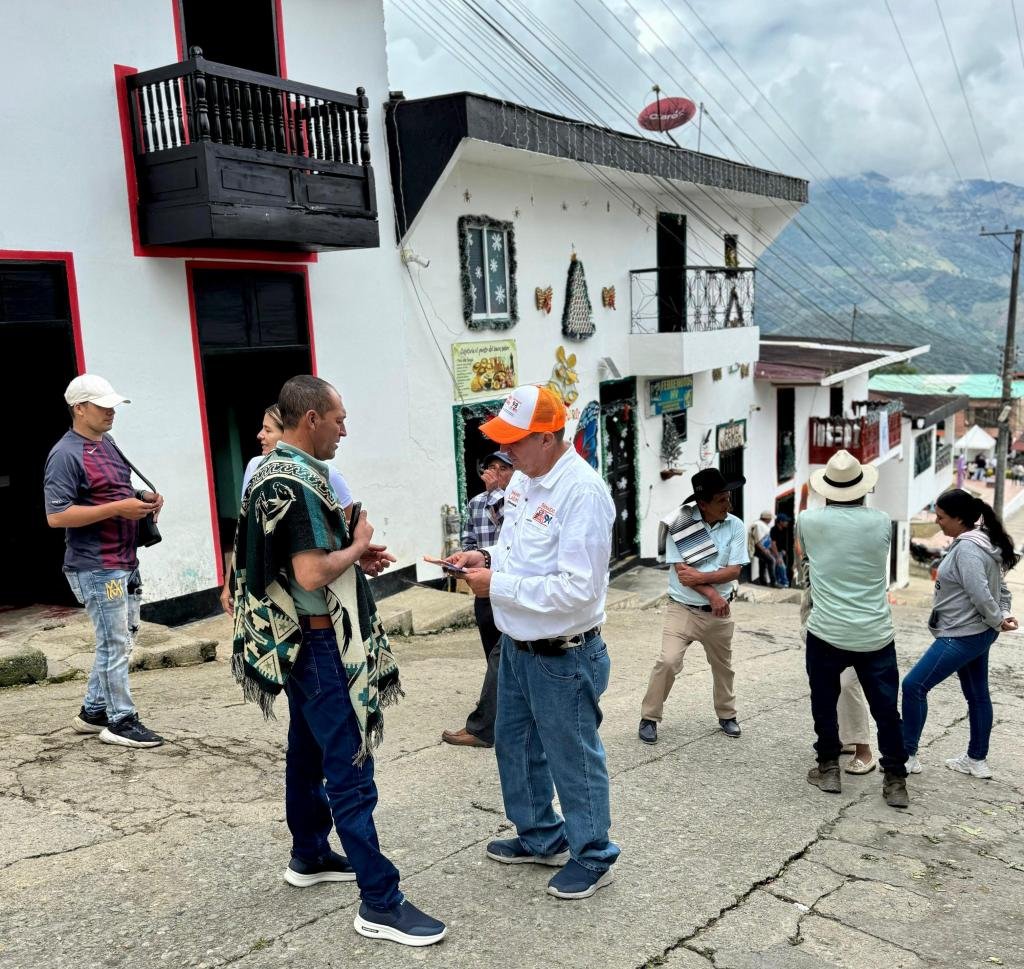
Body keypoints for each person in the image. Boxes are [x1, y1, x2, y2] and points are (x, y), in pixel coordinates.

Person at [231, 375, 446, 946]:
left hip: (293, 642)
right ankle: (380, 901)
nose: (344, 430)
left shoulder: (271, 472)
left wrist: (352, 556)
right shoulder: (298, 481)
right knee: (350, 767)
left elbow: (288, 558)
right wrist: (356, 545)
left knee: (306, 751)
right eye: (339, 419)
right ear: (311, 420)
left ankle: (308, 854)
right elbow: (309, 573)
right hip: (321, 643)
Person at [446, 385, 618, 901]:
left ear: (547, 437)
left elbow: (578, 587)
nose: (506, 453)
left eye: (516, 442)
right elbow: (518, 548)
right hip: (519, 646)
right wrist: (487, 560)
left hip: (563, 652)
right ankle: (541, 836)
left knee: (573, 757)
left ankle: (593, 855)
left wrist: (495, 585)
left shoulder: (582, 493)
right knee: (515, 748)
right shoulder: (525, 479)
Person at [43, 375, 165, 749]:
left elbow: (116, 489)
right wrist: (120, 508)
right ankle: (120, 721)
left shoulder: (106, 443)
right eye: (102, 405)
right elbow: (56, 516)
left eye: (113, 404)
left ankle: (94, 712)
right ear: (79, 408)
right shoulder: (65, 454)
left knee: (123, 638)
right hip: (97, 566)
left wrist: (143, 496)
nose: (111, 412)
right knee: (114, 642)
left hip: (124, 558)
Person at [797, 449, 910, 809]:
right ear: (862, 489)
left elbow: (808, 559)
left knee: (824, 703)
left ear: (827, 490)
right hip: (875, 633)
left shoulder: (808, 521)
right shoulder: (881, 521)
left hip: (827, 630)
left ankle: (828, 767)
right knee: (886, 710)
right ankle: (895, 780)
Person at [902, 489, 1019, 779]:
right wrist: (1001, 615)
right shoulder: (983, 541)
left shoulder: (968, 548)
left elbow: (981, 593)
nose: (937, 522)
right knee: (977, 694)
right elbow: (1001, 589)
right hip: (977, 631)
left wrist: (996, 618)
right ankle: (976, 761)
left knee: (914, 686)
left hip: (963, 633)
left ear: (959, 518)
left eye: (941, 517)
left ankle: (907, 755)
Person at [638, 467, 749, 745]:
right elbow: (683, 573)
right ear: (703, 504)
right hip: (683, 609)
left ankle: (727, 715)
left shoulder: (735, 525)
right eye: (722, 500)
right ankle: (649, 717)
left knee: (723, 666)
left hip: (718, 613)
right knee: (667, 661)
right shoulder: (681, 523)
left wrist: (704, 579)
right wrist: (712, 592)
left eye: (728, 498)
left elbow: (734, 570)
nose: (729, 505)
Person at [220, 405, 352, 614]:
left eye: (268, 430)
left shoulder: (326, 475)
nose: (260, 435)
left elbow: (345, 535)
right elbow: (245, 534)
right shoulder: (256, 467)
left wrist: (359, 551)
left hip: (313, 601)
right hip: (267, 595)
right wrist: (230, 582)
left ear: (287, 434)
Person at [442, 450, 514, 748]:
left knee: (503, 656)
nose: (495, 473)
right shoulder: (475, 504)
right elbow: (471, 540)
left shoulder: (516, 501)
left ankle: (485, 726)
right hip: (482, 589)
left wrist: (497, 492)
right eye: (491, 467)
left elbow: (508, 537)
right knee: (495, 656)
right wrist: (461, 563)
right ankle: (502, 713)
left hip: (506, 586)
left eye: (502, 468)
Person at [749, 511, 777, 587]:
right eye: (770, 518)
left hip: (762, 548)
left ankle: (763, 582)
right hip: (760, 549)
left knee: (763, 564)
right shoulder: (758, 525)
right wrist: (764, 550)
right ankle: (773, 582)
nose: (771, 520)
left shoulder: (761, 524)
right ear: (766, 518)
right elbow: (757, 540)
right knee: (772, 561)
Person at [769, 513, 792, 588]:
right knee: (782, 567)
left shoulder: (783, 530)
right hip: (775, 552)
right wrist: (778, 556)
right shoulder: (774, 530)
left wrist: (783, 550)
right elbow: (773, 544)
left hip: (780, 552)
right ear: (780, 522)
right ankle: (785, 583)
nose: (787, 522)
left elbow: (781, 542)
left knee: (779, 567)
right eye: (785, 521)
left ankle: (780, 582)